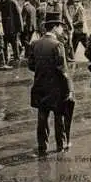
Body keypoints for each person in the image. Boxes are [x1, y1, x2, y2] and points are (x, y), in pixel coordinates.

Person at [28, 12, 74, 156]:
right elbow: (62, 70)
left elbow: (31, 65)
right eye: (60, 26)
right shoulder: (57, 45)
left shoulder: (35, 43)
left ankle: (43, 147)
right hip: (56, 88)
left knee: (42, 118)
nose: (62, 29)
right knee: (59, 117)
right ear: (54, 28)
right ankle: (61, 145)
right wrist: (69, 90)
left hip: (40, 86)